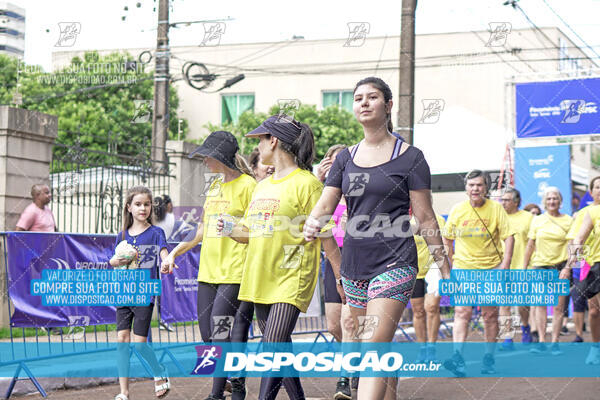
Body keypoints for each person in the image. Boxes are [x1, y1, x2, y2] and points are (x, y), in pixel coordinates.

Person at [303, 77, 450, 400]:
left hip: (395, 260)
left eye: (372, 97)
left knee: (372, 344)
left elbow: (425, 217)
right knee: (372, 341)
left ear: (388, 105)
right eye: (358, 98)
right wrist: (312, 223)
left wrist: (445, 267)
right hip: (355, 263)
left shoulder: (412, 158)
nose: (364, 103)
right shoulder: (345, 159)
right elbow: (326, 204)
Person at [219, 115, 342, 400]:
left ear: (273, 141)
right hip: (259, 276)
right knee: (281, 349)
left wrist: (339, 276)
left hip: (291, 276)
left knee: (271, 345)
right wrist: (228, 227)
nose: (258, 147)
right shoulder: (261, 186)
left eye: (261, 139)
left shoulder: (308, 184)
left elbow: (325, 234)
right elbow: (249, 232)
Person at [162, 131, 256, 400]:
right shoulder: (214, 185)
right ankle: (233, 380)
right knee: (207, 333)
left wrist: (231, 227)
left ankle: (219, 394)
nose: (204, 161)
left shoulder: (249, 186)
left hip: (235, 271)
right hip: (209, 271)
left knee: (220, 330)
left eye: (207, 155)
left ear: (221, 156)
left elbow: (256, 231)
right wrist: (174, 254)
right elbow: (201, 229)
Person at [442, 170, 515, 376]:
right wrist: (451, 265)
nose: (475, 189)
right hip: (464, 268)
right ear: (466, 188)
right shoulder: (457, 210)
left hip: (491, 268)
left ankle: (489, 358)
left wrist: (505, 266)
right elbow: (447, 239)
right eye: (471, 185)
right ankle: (458, 358)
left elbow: (509, 237)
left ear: (486, 188)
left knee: (489, 314)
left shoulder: (496, 209)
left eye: (479, 185)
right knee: (462, 312)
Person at [109, 186, 174, 400]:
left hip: (144, 293)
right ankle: (123, 392)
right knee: (122, 339)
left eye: (146, 204)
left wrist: (166, 261)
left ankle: (158, 371)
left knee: (139, 344)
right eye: (137, 204)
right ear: (129, 207)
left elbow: (163, 252)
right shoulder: (122, 235)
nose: (143, 208)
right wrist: (113, 261)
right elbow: (114, 260)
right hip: (123, 292)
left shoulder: (156, 233)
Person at [315, 144, 357, 399]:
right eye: (331, 161)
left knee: (349, 321)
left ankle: (346, 377)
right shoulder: (324, 194)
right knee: (333, 325)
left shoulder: (358, 191)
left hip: (356, 259)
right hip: (331, 260)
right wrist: (320, 180)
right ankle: (355, 358)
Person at [523, 187, 572, 355]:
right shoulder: (537, 220)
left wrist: (568, 267)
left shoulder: (568, 220)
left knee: (558, 308)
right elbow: (530, 245)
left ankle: (555, 342)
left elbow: (573, 247)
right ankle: (542, 340)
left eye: (555, 198)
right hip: (539, 266)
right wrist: (524, 267)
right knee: (540, 304)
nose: (552, 201)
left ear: (560, 201)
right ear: (545, 202)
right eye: (549, 199)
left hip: (560, 267)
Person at [566, 176, 600, 364]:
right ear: (591, 191)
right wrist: (571, 266)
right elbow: (575, 241)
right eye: (597, 187)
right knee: (594, 312)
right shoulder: (585, 213)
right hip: (590, 266)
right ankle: (595, 348)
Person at [410, 205, 446, 363]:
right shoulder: (404, 219)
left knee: (431, 307)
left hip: (433, 266)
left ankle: (432, 347)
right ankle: (422, 348)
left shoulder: (437, 218)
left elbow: (444, 244)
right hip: (413, 268)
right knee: (418, 311)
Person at [499, 188, 535, 348]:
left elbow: (533, 243)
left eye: (507, 200)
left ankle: (525, 327)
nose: (503, 203)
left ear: (516, 201)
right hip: (502, 268)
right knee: (504, 304)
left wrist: (530, 265)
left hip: (523, 267)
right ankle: (507, 337)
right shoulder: (498, 218)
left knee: (522, 304)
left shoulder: (528, 218)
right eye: (502, 200)